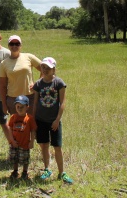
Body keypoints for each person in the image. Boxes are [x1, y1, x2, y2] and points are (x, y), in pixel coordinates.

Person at [32, 57, 73, 185]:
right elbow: (35, 103)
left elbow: (62, 102)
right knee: (44, 145)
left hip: (54, 121)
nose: (44, 70)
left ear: (54, 69)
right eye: (43, 67)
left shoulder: (59, 83)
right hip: (41, 120)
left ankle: (62, 173)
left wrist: (57, 120)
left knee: (57, 147)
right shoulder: (38, 84)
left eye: (48, 68)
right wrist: (33, 119)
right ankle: (47, 169)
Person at [0, 35, 42, 116]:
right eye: (12, 44)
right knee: (16, 126)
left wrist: (37, 84)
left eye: (17, 44)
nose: (14, 46)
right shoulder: (3, 63)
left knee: (31, 123)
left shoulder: (28, 57)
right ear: (8, 46)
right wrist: (4, 105)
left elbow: (44, 68)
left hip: (30, 97)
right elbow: (2, 86)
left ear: (20, 45)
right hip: (13, 99)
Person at [7, 95, 37, 180]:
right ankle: (15, 171)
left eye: (22, 107)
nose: (19, 109)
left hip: (25, 143)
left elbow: (32, 130)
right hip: (15, 143)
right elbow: (10, 128)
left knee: (25, 158)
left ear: (27, 107)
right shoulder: (13, 117)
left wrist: (31, 141)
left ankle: (25, 172)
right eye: (18, 107)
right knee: (14, 158)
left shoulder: (29, 118)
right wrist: (12, 140)